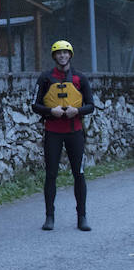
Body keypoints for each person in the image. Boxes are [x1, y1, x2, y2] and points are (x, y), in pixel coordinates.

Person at [31, 40, 94, 231]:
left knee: (79, 174)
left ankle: (81, 217)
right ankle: (49, 217)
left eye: (65, 53)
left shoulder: (80, 78)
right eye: (59, 53)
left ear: (70, 55)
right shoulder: (45, 78)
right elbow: (35, 105)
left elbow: (91, 105)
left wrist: (78, 111)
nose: (62, 56)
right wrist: (51, 111)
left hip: (75, 132)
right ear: (54, 56)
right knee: (51, 175)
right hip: (53, 133)